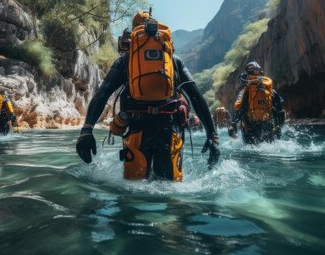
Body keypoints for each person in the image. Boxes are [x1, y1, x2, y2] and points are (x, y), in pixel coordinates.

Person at [76, 11, 220, 181]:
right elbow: (196, 96)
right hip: (169, 129)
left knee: (134, 191)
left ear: (134, 31)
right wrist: (212, 134)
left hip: (136, 128)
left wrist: (87, 130)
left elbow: (103, 93)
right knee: (170, 190)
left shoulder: (126, 61)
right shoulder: (173, 61)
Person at [233, 61, 286, 144]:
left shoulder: (244, 92)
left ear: (247, 76)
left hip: (249, 129)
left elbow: (239, 110)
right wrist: (279, 126)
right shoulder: (271, 91)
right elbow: (280, 112)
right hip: (268, 128)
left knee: (252, 150)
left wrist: (233, 124)